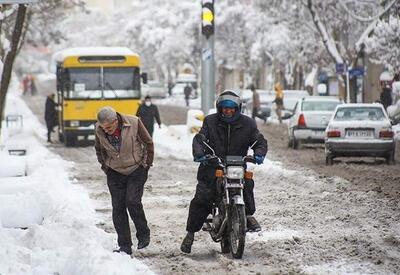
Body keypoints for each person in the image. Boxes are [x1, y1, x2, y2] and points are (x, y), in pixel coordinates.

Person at [180, 90, 268, 254]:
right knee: (203, 197)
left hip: (236, 166)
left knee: (247, 184)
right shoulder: (210, 121)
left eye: (231, 108)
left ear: (238, 108)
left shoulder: (248, 124)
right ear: (219, 108)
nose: (228, 111)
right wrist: (200, 154)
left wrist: (259, 153)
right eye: (224, 108)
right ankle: (190, 234)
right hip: (212, 167)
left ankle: (247, 215)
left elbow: (259, 140)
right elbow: (200, 139)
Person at [94, 106, 154, 255]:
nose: (106, 130)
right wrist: (105, 166)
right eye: (103, 128)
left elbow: (148, 143)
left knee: (132, 201)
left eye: (108, 127)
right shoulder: (99, 129)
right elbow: (98, 148)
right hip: (114, 172)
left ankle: (143, 234)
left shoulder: (134, 123)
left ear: (115, 121)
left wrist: (145, 165)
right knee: (118, 208)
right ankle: (125, 246)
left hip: (136, 169)